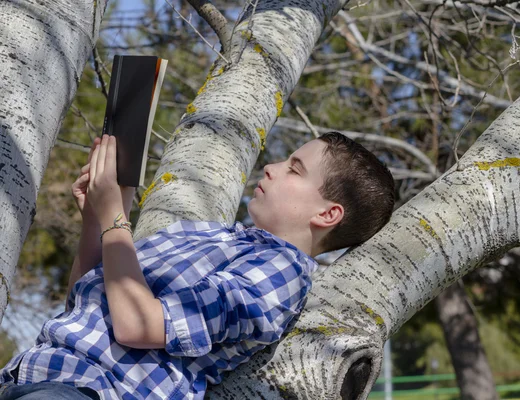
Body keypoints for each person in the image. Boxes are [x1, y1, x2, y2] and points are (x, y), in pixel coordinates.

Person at [0, 131, 395, 399]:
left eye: (294, 168)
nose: (272, 167)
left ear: (328, 214)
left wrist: (115, 219)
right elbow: (85, 299)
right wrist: (97, 220)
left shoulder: (280, 272)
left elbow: (138, 324)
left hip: (94, 389)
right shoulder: (205, 233)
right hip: (29, 375)